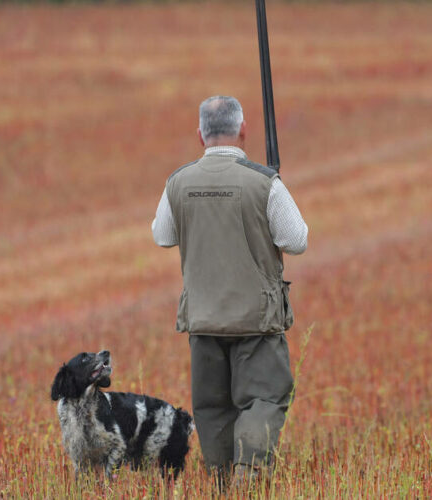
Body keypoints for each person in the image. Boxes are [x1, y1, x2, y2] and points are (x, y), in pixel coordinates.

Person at [151, 95, 308, 488]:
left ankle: (221, 483)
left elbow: (162, 236)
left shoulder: (179, 181)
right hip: (256, 322)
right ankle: (248, 476)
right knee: (265, 400)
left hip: (203, 320)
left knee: (212, 408)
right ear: (243, 129)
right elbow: (297, 239)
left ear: (200, 135)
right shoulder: (263, 182)